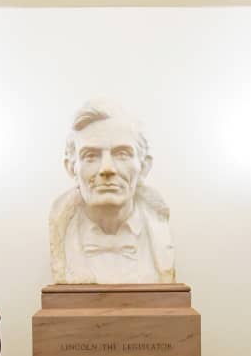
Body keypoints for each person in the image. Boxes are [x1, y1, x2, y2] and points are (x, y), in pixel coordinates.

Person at [49, 101, 175, 284]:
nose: (107, 169)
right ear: (71, 168)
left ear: (144, 166)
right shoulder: (63, 233)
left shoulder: (157, 235)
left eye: (122, 154)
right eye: (90, 156)